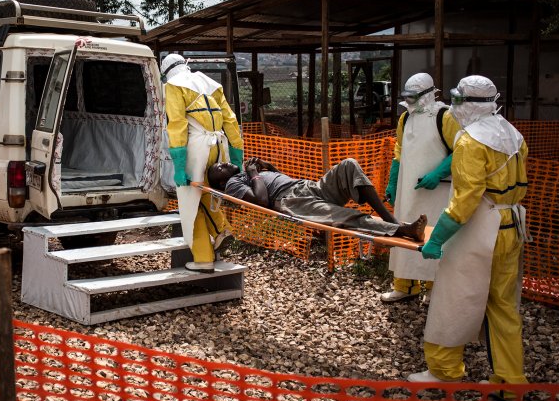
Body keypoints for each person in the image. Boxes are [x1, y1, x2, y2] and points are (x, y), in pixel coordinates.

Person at [408, 75, 529, 391]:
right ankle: (510, 380)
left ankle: (445, 371)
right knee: (503, 306)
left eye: (458, 100)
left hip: (478, 230)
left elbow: (465, 200)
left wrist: (437, 239)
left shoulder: (470, 141)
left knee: (454, 299)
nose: (454, 107)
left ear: (469, 104)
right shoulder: (512, 134)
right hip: (511, 227)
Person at [208, 157, 427, 242]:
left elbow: (277, 179)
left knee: (349, 165)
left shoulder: (244, 174)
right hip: (293, 201)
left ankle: (391, 219)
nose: (223, 163)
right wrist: (254, 172)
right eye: (218, 168)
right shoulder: (232, 184)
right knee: (346, 216)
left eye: (220, 162)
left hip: (308, 187)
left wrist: (269, 168)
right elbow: (262, 201)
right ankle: (401, 231)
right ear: (219, 183)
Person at [381, 73, 460, 305]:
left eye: (415, 96)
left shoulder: (445, 116)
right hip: (408, 190)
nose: (411, 101)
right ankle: (404, 285)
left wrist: (439, 173)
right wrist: (393, 181)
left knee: (435, 235)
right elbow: (399, 151)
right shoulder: (405, 118)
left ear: (428, 94)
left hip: (437, 193)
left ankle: (435, 288)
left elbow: (462, 149)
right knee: (404, 231)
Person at [162, 53, 244, 273]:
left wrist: (179, 166)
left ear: (166, 72)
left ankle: (203, 258)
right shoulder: (211, 83)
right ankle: (221, 230)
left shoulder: (173, 85)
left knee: (190, 204)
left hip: (196, 148)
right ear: (185, 65)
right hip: (219, 145)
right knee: (208, 193)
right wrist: (237, 159)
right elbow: (231, 121)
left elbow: (177, 125)